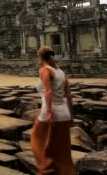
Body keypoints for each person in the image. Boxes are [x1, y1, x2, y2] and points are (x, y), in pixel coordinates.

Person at [31, 46, 75, 175]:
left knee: (36, 139)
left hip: (50, 111)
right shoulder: (61, 72)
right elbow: (69, 95)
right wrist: (71, 115)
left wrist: (49, 111)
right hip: (64, 112)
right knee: (62, 150)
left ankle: (45, 166)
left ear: (40, 57)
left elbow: (48, 91)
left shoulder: (45, 70)